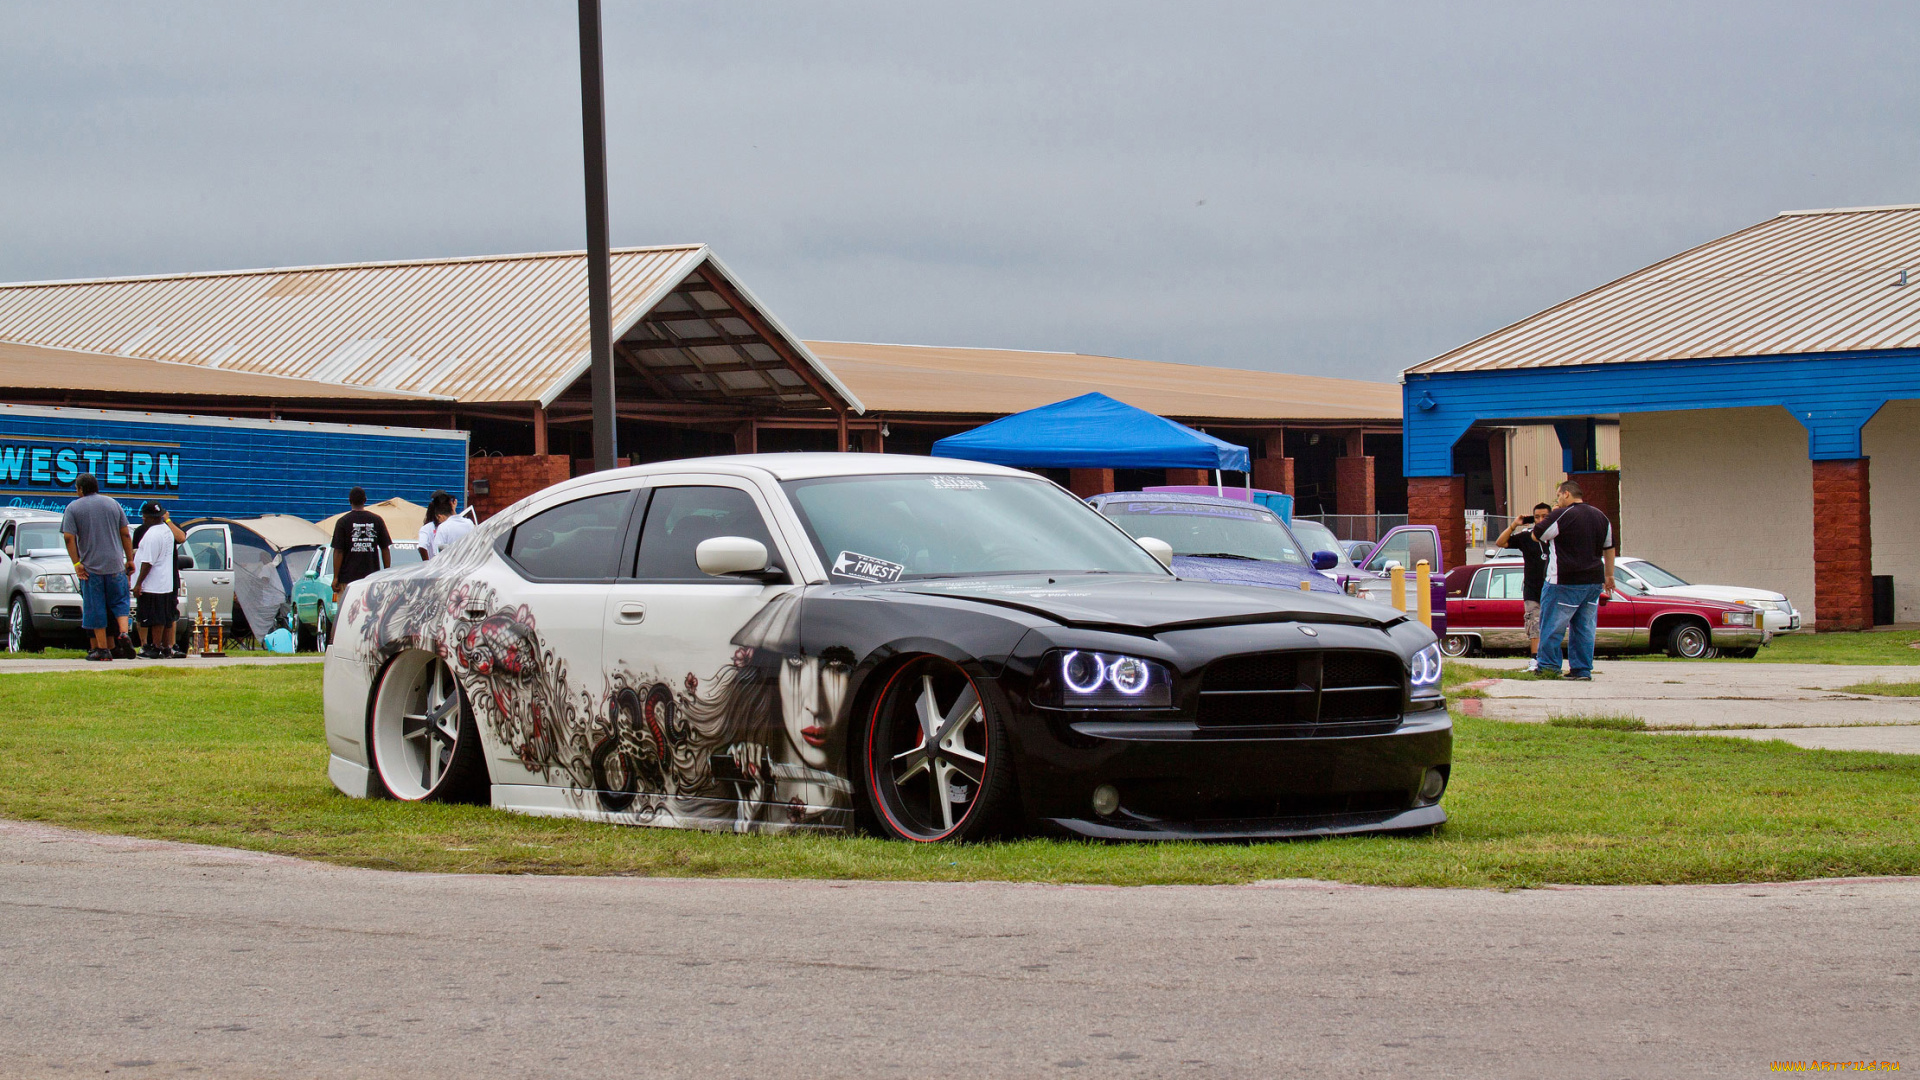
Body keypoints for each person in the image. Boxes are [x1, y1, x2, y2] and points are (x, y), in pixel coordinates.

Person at [1530, 480, 1616, 681]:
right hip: (1594, 581)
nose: (1558, 500)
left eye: (1559, 496)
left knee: (1552, 624)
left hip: (1563, 580)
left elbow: (1537, 535)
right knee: (1584, 627)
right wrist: (1609, 575)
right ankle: (1581, 670)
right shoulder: (1601, 517)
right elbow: (1609, 547)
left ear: (1567, 494)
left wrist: (1553, 514)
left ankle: (1549, 666)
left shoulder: (1561, 514)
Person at [60, 473, 137, 662]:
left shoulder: (73, 508)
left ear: (80, 489)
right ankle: (123, 633)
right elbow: (125, 534)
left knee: (96, 608)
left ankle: (102, 650)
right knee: (120, 603)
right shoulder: (113, 504)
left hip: (91, 568)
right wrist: (129, 559)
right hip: (116, 566)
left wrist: (77, 563)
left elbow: (69, 537)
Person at [328, 487, 392, 644]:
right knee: (370, 612)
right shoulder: (377, 520)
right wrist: (387, 572)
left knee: (347, 613)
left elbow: (338, 552)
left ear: (349, 501)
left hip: (347, 579)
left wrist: (336, 577)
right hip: (371, 578)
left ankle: (347, 642)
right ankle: (368, 642)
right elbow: (385, 548)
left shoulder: (343, 522)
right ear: (365, 500)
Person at [1495, 502, 1553, 660]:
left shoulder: (1555, 537)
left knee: (1551, 626)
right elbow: (1500, 542)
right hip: (1532, 590)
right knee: (1534, 624)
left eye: (1544, 517)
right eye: (1537, 517)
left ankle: (1549, 660)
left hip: (1553, 589)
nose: (1540, 520)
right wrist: (1514, 524)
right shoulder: (1526, 537)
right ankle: (1535, 659)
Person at [131, 502, 186, 659]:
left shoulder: (153, 534)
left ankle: (155, 648)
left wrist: (138, 583)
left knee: (152, 617)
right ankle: (163, 647)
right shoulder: (165, 531)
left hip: (152, 584)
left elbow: (148, 561)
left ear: (147, 517)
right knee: (160, 618)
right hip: (163, 583)